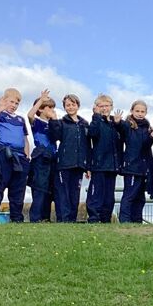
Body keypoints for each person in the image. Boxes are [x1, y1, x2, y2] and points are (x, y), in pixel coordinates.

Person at [0, 88, 31, 222]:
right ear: (4, 100)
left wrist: (27, 155)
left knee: (18, 190)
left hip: (20, 157)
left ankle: (17, 219)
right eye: (11, 102)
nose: (13, 105)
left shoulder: (20, 119)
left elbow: (25, 139)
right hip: (4, 154)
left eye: (16, 103)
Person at [50, 94, 88, 223]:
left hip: (79, 164)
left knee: (74, 193)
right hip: (64, 163)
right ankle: (63, 219)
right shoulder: (61, 122)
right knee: (62, 193)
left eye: (73, 104)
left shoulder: (85, 124)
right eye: (68, 105)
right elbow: (54, 136)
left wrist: (87, 165)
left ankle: (72, 218)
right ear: (64, 107)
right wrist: (54, 120)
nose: (71, 107)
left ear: (78, 105)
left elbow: (87, 145)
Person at [86, 94, 122, 223]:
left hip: (112, 166)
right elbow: (92, 133)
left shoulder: (115, 123)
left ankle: (106, 219)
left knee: (109, 196)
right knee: (96, 194)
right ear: (96, 107)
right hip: (99, 164)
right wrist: (95, 116)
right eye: (101, 106)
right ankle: (94, 218)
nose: (104, 108)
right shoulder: (96, 121)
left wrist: (119, 124)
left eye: (107, 105)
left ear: (111, 107)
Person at [118, 100, 153, 223]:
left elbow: (146, 145)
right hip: (131, 166)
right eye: (137, 111)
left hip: (144, 167)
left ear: (146, 112)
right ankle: (124, 220)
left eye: (142, 111)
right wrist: (117, 122)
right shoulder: (128, 125)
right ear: (132, 111)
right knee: (129, 195)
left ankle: (137, 221)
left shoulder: (148, 128)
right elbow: (120, 127)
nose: (139, 113)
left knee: (140, 197)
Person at [25, 90, 57, 223]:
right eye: (48, 107)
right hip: (40, 157)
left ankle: (46, 217)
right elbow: (30, 114)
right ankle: (35, 217)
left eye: (52, 107)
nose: (51, 110)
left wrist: (55, 119)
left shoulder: (54, 124)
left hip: (53, 157)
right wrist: (41, 101)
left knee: (50, 189)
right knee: (39, 188)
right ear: (41, 110)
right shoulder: (37, 122)